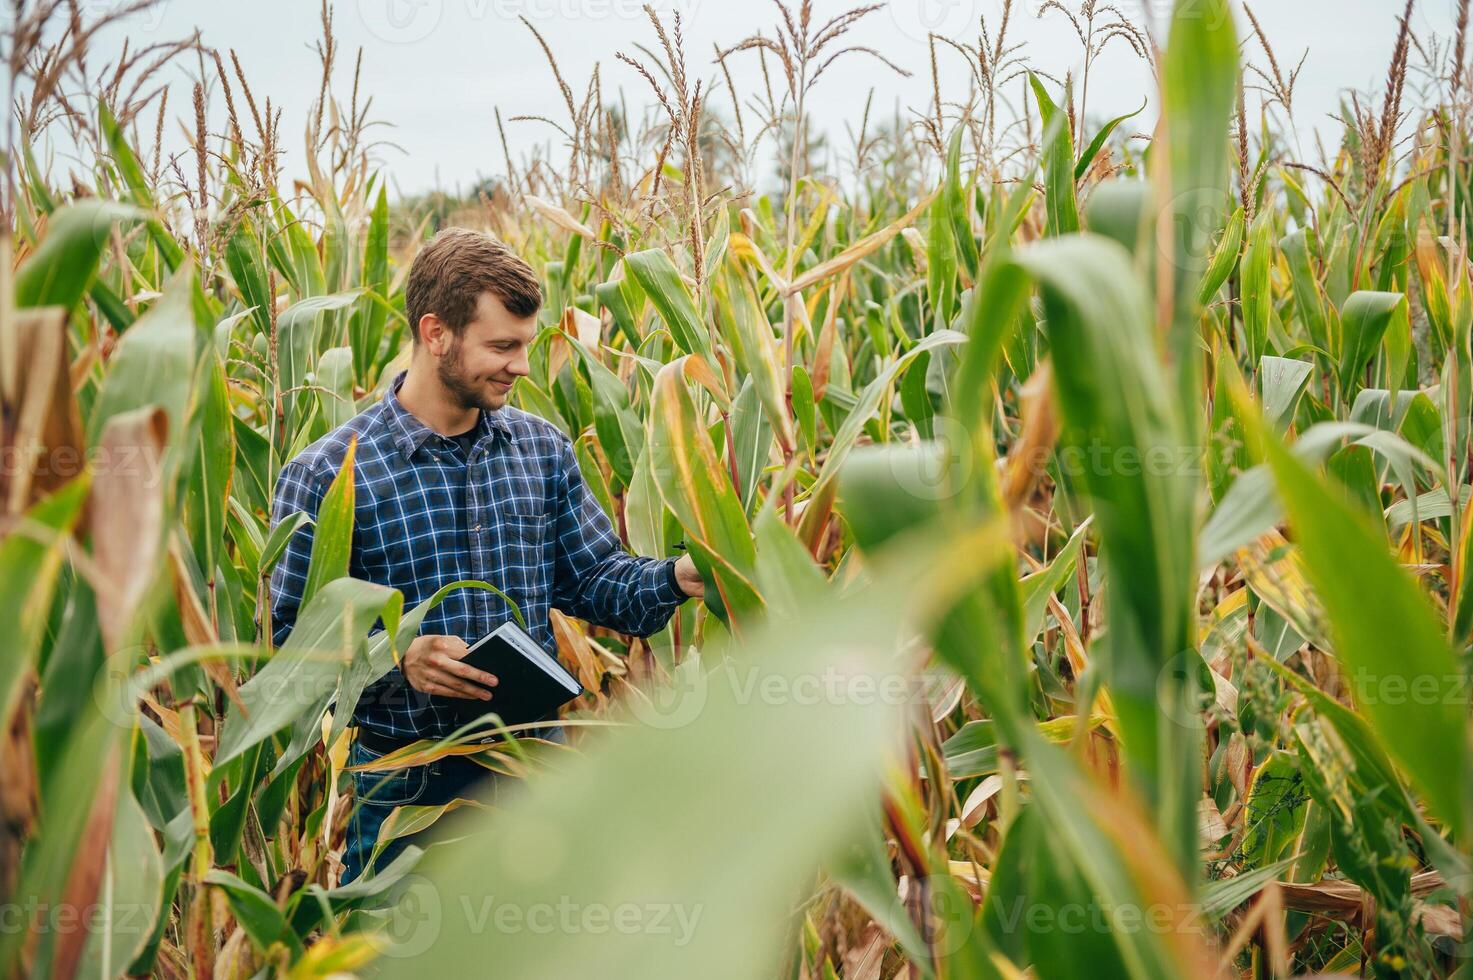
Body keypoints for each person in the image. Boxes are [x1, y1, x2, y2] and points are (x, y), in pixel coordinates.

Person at [267, 227, 704, 884]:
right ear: (435, 331)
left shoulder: (541, 450)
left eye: (525, 345)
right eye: (502, 346)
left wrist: (676, 576)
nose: (522, 366)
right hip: (405, 786)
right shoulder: (330, 474)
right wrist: (397, 662)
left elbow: (594, 581)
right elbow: (290, 655)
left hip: (531, 767)